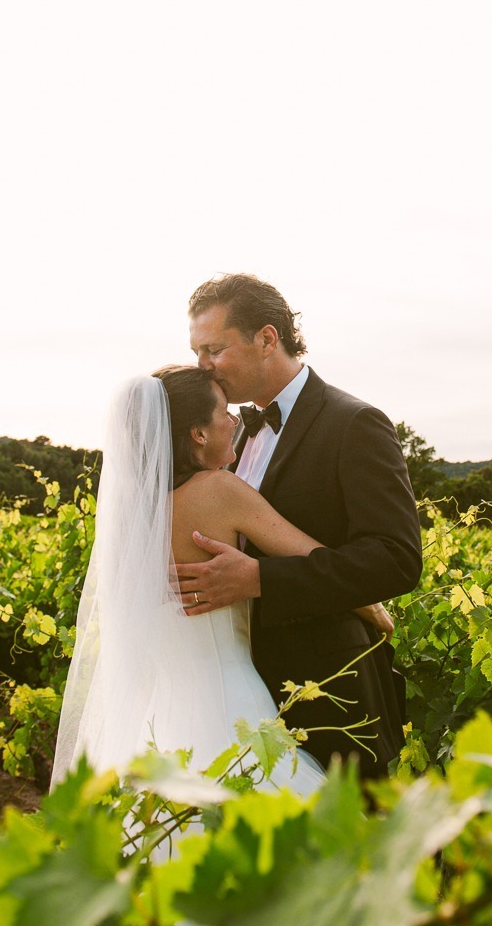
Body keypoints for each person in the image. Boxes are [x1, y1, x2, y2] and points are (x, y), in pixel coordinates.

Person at [50, 365, 393, 791]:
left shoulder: (128, 521)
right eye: (224, 412)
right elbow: (315, 558)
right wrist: (376, 612)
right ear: (198, 433)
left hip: (158, 717)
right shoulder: (220, 491)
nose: (234, 421)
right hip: (231, 704)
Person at [176, 274, 420, 780]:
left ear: (267, 339)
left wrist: (261, 580)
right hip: (239, 694)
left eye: (214, 350)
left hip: (332, 691)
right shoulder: (228, 432)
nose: (202, 367)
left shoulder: (354, 423)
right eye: (196, 351)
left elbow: (395, 560)